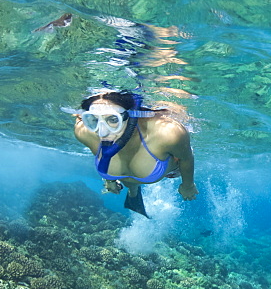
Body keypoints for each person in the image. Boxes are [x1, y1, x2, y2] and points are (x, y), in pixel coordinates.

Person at [68, 90, 197, 217]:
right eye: (94, 120)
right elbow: (102, 155)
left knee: (137, 170)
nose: (102, 132)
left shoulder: (168, 132)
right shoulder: (85, 133)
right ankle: (133, 194)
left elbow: (186, 159)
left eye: (113, 119)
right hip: (129, 175)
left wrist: (188, 185)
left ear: (131, 116)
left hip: (171, 169)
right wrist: (109, 179)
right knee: (127, 176)